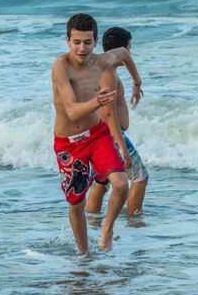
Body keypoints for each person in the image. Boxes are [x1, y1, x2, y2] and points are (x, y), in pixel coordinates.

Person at [52, 13, 143, 253]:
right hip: (69, 144)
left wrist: (136, 81)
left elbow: (123, 53)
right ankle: (84, 256)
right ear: (68, 41)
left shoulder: (102, 61)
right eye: (77, 42)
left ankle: (107, 230)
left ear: (95, 42)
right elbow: (71, 111)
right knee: (76, 204)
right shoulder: (61, 67)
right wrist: (98, 101)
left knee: (121, 184)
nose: (82, 48)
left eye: (88, 42)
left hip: (97, 135)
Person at [86, 27, 150, 217]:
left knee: (102, 180)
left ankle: (91, 218)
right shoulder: (108, 74)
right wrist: (122, 147)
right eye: (129, 48)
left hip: (99, 134)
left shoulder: (105, 64)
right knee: (139, 176)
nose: (129, 53)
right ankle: (134, 219)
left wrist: (136, 83)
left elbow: (126, 57)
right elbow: (109, 114)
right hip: (111, 135)